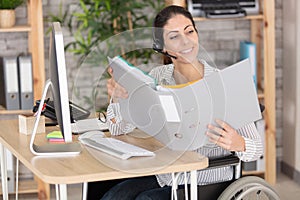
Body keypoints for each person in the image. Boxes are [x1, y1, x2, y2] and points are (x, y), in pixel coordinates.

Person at [103, 5, 263, 200]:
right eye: (174, 36)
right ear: (161, 46)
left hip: (206, 180)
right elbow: (118, 129)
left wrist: (238, 143)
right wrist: (120, 99)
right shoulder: (158, 79)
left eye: (189, 31)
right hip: (167, 176)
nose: (185, 40)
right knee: (113, 195)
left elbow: (257, 148)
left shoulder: (223, 84)